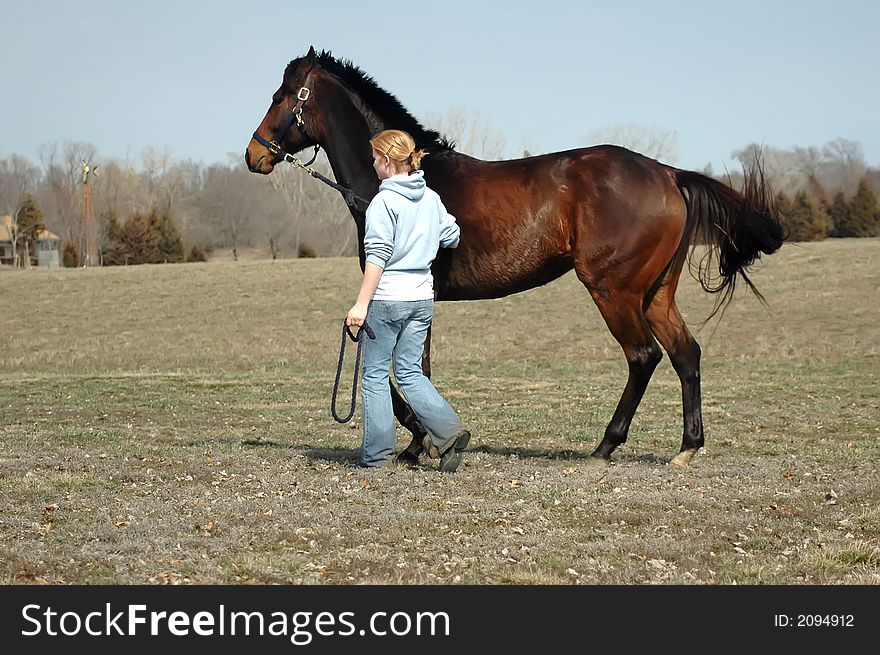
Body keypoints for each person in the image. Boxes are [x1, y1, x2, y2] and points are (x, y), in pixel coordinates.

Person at [346, 129, 470, 472]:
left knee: (373, 375)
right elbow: (453, 236)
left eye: (374, 158)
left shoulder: (384, 203)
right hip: (421, 300)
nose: (372, 164)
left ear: (387, 161)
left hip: (388, 300)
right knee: (410, 372)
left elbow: (378, 255)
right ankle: (448, 431)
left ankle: (376, 456)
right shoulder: (430, 197)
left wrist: (360, 305)